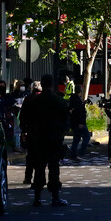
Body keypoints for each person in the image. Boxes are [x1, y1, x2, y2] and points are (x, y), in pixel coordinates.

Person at [25, 74, 70, 207]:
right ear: (51, 85)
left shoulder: (33, 101)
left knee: (39, 168)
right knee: (54, 168)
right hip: (54, 140)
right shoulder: (59, 101)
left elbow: (26, 120)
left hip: (38, 139)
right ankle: (55, 196)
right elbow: (66, 121)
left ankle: (37, 197)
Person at [18, 80, 42, 184]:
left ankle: (28, 177)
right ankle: (39, 177)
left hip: (30, 130)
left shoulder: (27, 99)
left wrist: (23, 130)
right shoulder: (44, 99)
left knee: (30, 155)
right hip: (43, 131)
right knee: (41, 156)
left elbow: (22, 116)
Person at [69, 85, 91, 162]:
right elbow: (79, 112)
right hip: (79, 123)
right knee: (87, 137)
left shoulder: (73, 99)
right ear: (80, 91)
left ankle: (73, 155)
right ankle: (81, 153)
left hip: (74, 123)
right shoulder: (78, 100)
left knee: (76, 139)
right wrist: (81, 122)